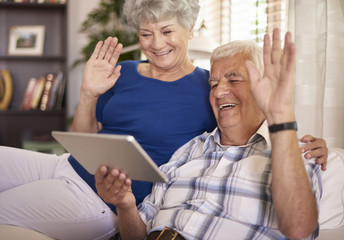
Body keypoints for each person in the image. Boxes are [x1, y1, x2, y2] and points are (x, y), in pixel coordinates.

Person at [0, 0, 326, 239]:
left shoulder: (208, 87)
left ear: (190, 29)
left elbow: (250, 121)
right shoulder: (122, 73)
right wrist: (87, 92)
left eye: (167, 30)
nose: (156, 44)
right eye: (146, 33)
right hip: (67, 166)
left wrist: (312, 143)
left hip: (100, 199)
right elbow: (86, 140)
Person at [95, 28, 322, 240]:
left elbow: (299, 228)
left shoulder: (296, 154)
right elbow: (137, 233)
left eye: (233, 80)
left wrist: (280, 115)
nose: (220, 91)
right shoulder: (187, 151)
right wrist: (126, 205)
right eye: (213, 84)